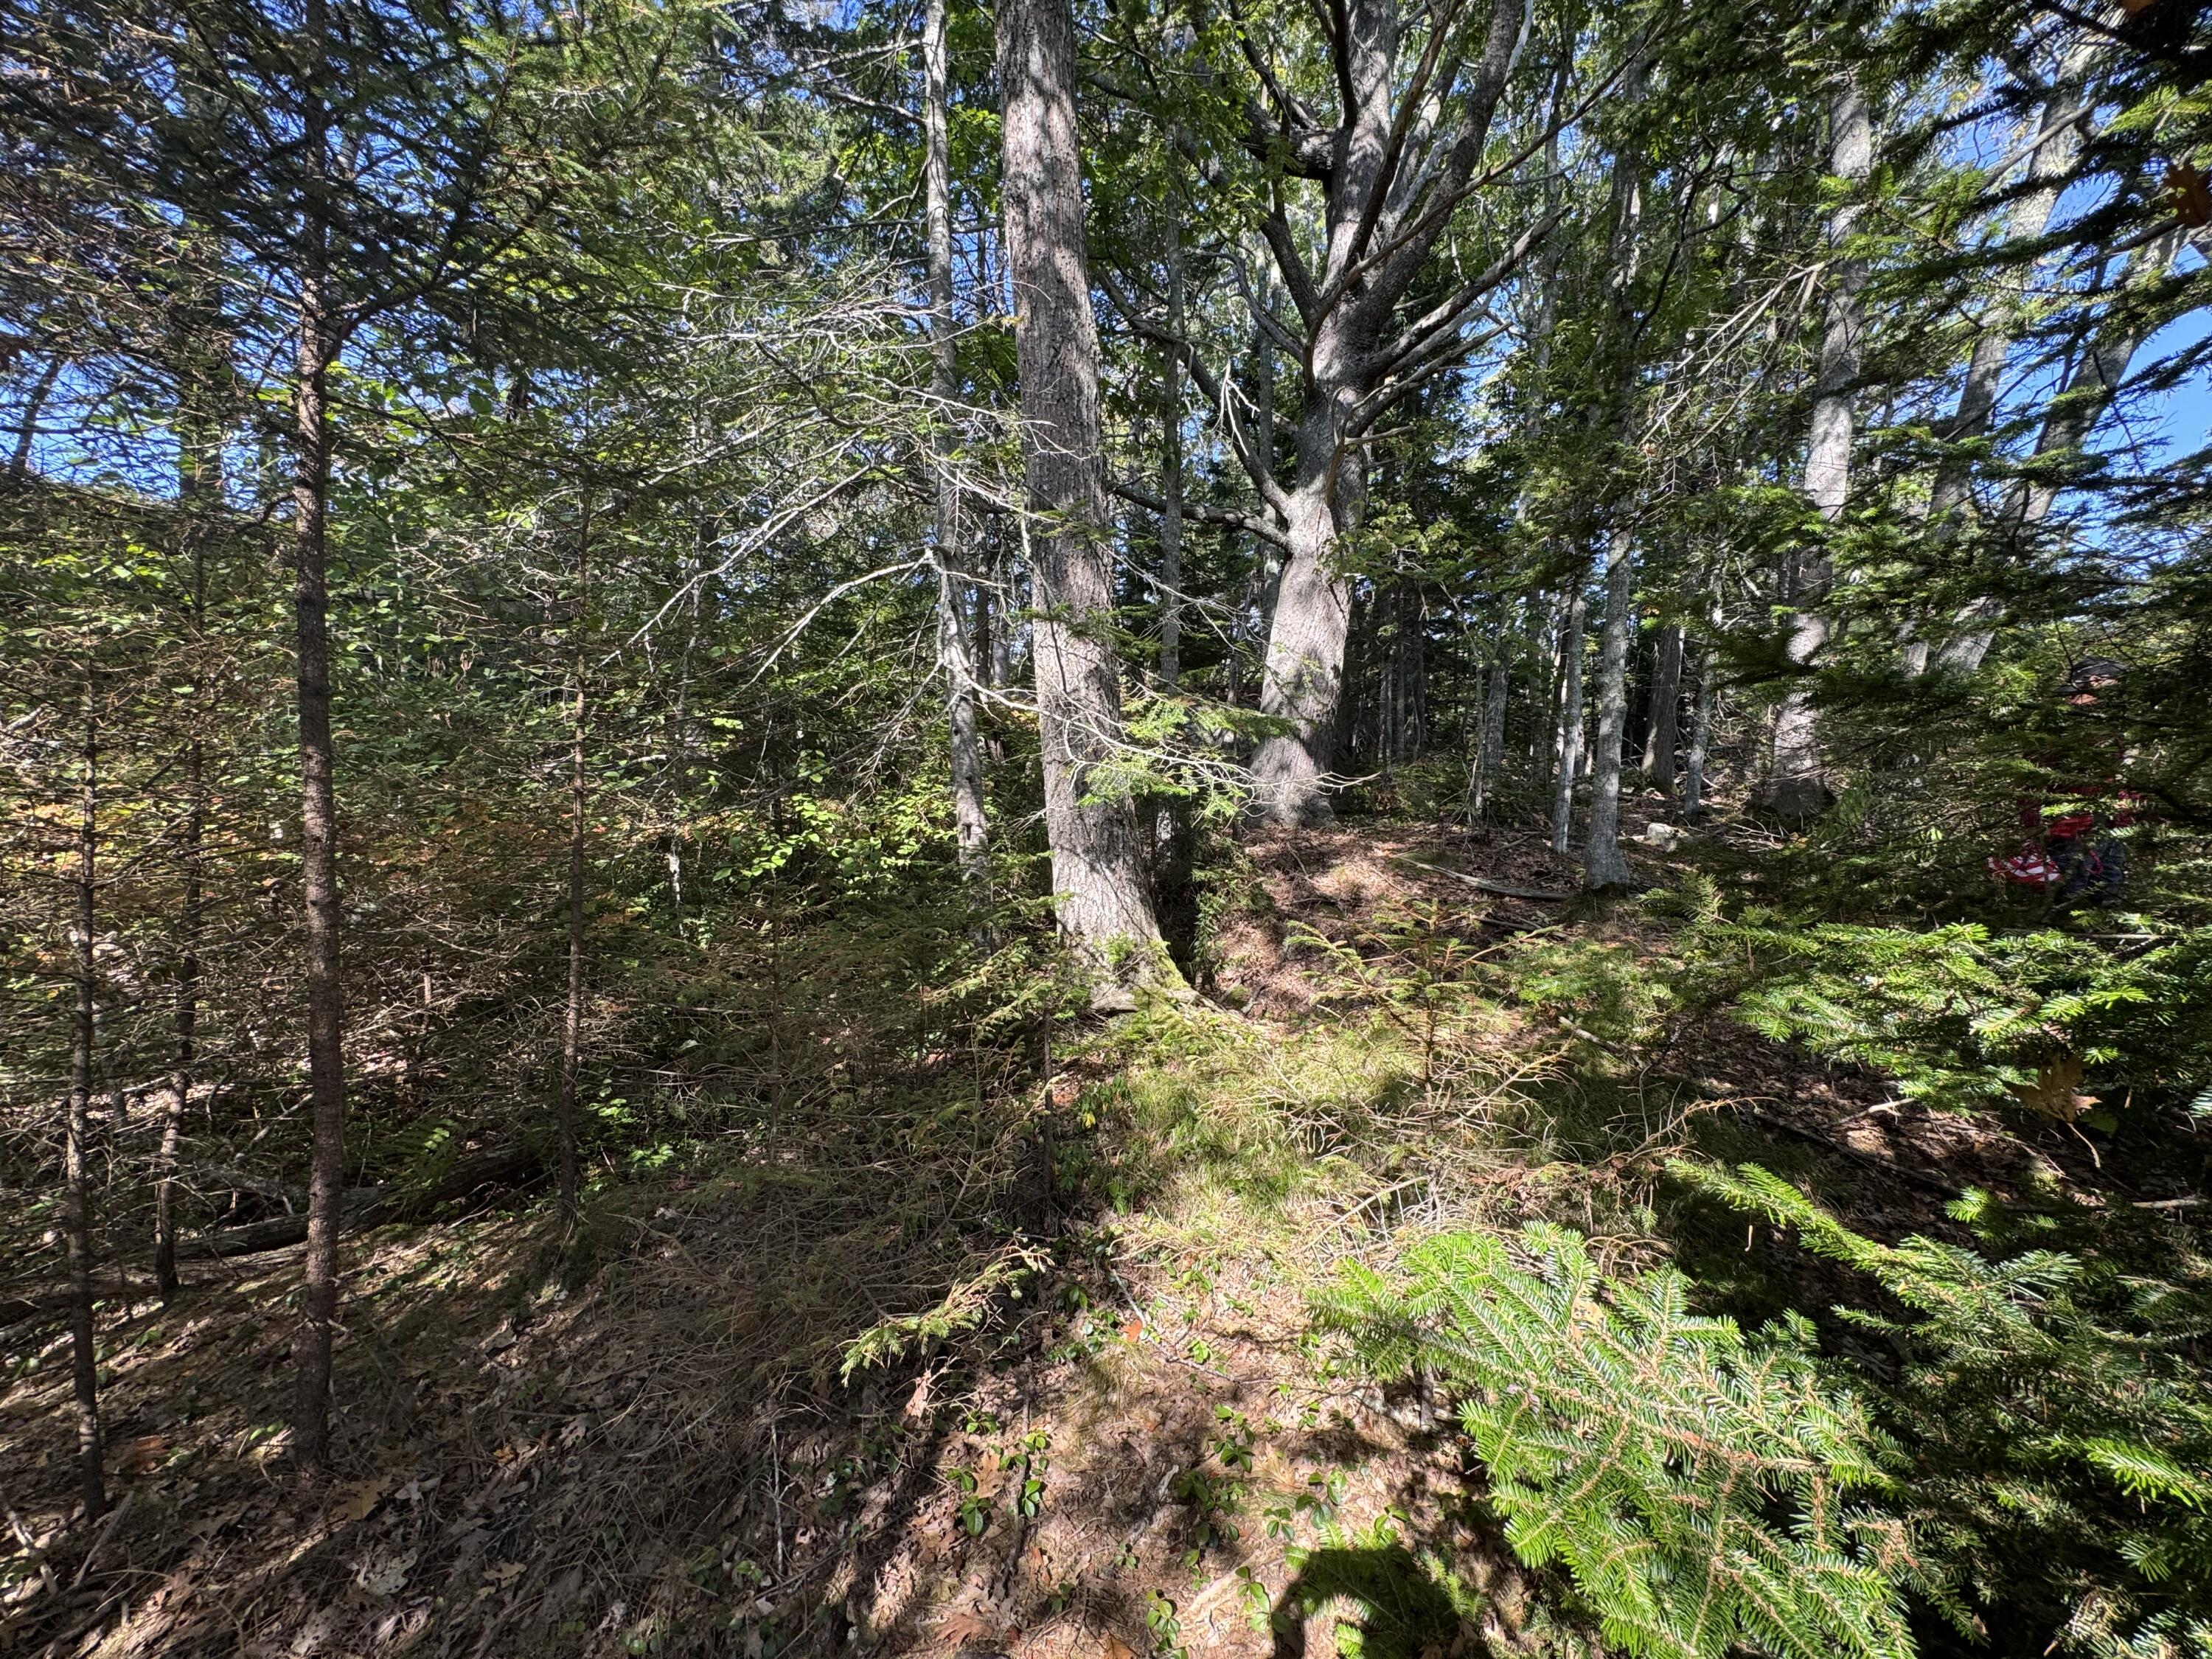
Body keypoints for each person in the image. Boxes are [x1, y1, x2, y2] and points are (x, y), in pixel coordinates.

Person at [1994, 657, 2140, 905]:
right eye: (2118, 682)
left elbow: (2118, 776)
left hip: (2111, 824)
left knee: (2107, 893)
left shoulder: (2111, 723)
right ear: (2095, 681)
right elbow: (2030, 777)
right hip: (2070, 829)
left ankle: (2097, 937)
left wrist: (2130, 808)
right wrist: (2034, 824)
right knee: (2069, 897)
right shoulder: (2063, 725)